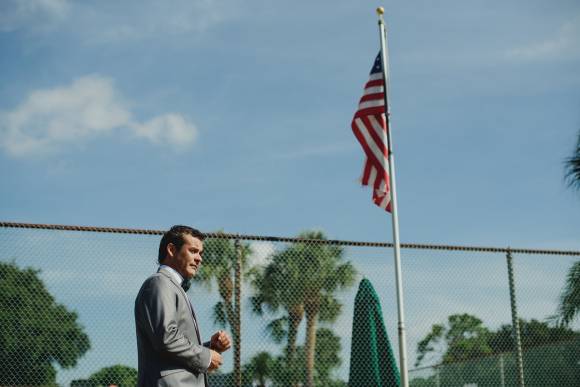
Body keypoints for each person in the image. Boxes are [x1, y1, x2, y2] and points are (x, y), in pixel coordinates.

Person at [135, 225, 231, 386]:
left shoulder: (172, 286)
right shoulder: (159, 283)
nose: (199, 258)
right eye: (193, 251)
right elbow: (166, 337)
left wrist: (210, 347)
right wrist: (206, 357)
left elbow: (170, 343)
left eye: (200, 253)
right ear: (171, 250)